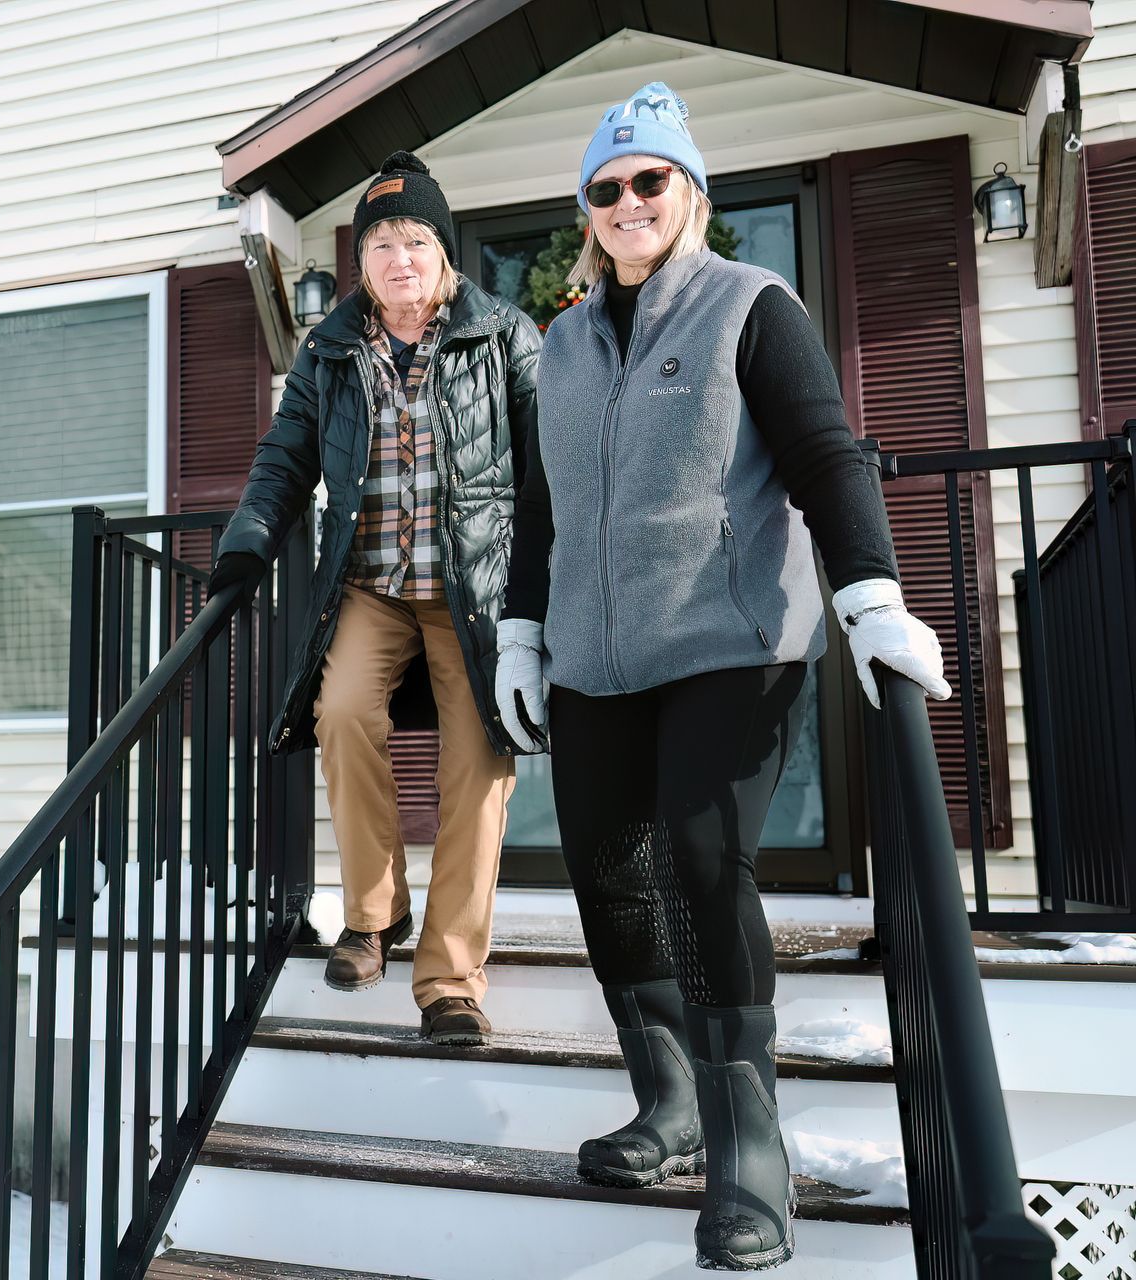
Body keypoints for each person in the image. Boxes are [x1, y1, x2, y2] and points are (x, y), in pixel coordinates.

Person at [493, 83, 950, 1270]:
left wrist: (870, 595)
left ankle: (753, 1146)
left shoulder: (755, 304)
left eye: (650, 180)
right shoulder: (563, 342)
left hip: (729, 643)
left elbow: (822, 454)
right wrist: (519, 633)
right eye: (607, 189)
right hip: (597, 659)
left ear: (690, 192)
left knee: (702, 859)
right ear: (588, 216)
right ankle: (671, 1099)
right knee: (606, 873)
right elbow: (541, 507)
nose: (629, 202)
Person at [207, 151, 541, 1047]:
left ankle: (452, 979)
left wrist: (547, 587)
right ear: (361, 265)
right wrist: (246, 540)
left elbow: (551, 466)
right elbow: (286, 459)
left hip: (473, 587)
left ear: (445, 254)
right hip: (371, 585)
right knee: (343, 710)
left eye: (416, 240)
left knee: (480, 755)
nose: (400, 258)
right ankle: (374, 911)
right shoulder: (330, 349)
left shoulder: (503, 334)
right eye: (382, 242)